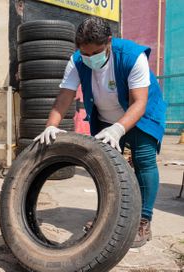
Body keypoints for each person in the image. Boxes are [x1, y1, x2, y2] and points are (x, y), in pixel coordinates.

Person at [34, 17, 166, 248]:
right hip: (105, 116)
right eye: (85, 53)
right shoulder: (77, 61)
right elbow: (65, 95)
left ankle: (143, 220)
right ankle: (109, 216)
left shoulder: (132, 57)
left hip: (140, 114)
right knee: (104, 164)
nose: (90, 58)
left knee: (143, 161)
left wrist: (119, 128)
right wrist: (51, 126)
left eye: (96, 52)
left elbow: (139, 102)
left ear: (109, 42)